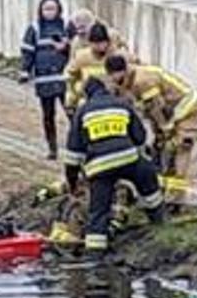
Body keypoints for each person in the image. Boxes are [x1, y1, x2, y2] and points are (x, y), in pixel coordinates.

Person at [63, 77, 166, 253]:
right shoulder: (122, 105)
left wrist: (72, 182)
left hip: (99, 168)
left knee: (99, 211)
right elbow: (140, 137)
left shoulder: (83, 112)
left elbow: (73, 155)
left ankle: (95, 252)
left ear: (87, 95)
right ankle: (158, 221)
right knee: (149, 183)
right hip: (128, 159)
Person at [107, 55, 197, 201]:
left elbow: (156, 107)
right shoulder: (126, 81)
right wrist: (159, 131)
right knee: (162, 147)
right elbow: (149, 111)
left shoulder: (142, 80)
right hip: (171, 110)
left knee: (179, 148)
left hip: (187, 108)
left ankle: (176, 198)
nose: (114, 81)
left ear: (123, 71)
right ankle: (166, 191)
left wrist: (164, 128)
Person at [18, 0, 71, 160]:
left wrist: (65, 47)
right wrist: (25, 71)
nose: (49, 12)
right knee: (48, 116)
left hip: (64, 79)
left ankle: (78, 145)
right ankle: (52, 148)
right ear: (40, 10)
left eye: (52, 9)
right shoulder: (34, 28)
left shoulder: (66, 26)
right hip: (44, 80)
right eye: (46, 9)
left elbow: (75, 50)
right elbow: (28, 52)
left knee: (71, 113)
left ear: (59, 9)